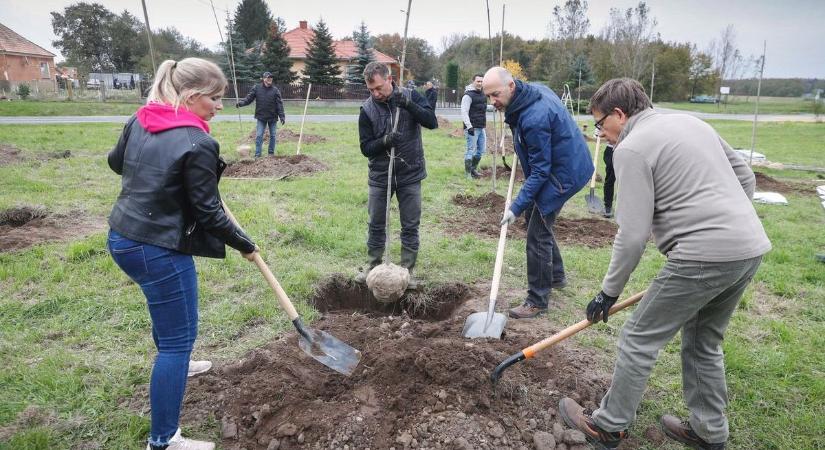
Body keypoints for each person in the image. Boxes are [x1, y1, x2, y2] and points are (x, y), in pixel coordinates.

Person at [557, 78, 771, 450]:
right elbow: (745, 178)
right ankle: (709, 432)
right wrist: (730, 225)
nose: (600, 133)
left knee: (639, 338)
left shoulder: (631, 150)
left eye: (600, 123)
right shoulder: (690, 122)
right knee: (704, 340)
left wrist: (608, 293)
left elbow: (633, 234)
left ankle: (608, 426)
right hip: (749, 247)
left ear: (619, 115)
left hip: (702, 256)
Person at [107, 58, 259, 450]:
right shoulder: (199, 142)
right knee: (178, 340)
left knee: (169, 325)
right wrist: (245, 242)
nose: (220, 106)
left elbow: (115, 163)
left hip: (123, 238)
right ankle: (164, 440)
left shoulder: (141, 118)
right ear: (192, 97)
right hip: (157, 249)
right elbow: (209, 213)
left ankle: (176, 366)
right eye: (216, 98)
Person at [482, 66, 592, 319]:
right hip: (564, 163)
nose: (492, 102)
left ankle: (537, 300)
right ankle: (556, 276)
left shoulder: (534, 117)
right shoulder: (531, 92)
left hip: (562, 174)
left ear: (511, 86)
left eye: (495, 95)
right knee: (536, 216)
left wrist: (515, 207)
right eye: (488, 97)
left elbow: (541, 172)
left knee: (537, 232)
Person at [354, 62, 438, 289]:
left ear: (390, 79)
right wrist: (384, 142)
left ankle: (406, 273)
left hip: (410, 173)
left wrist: (409, 105)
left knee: (410, 224)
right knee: (376, 224)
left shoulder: (410, 96)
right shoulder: (367, 110)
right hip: (381, 177)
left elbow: (432, 122)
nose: (375, 94)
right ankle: (373, 268)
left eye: (379, 88)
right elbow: (365, 148)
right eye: (371, 90)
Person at [236, 71, 285, 157]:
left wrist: (282, 116)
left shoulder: (275, 90)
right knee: (259, 136)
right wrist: (241, 103)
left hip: (272, 117)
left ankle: (271, 153)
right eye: (268, 77)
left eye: (271, 77)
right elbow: (249, 99)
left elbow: (279, 104)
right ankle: (257, 155)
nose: (270, 79)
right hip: (261, 117)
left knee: (273, 136)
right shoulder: (257, 88)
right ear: (263, 79)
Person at [461, 74, 487, 179]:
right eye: (478, 81)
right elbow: (464, 111)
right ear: (473, 81)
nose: (480, 83)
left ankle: (473, 169)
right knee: (470, 150)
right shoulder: (468, 95)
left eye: (482, 81)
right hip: (472, 127)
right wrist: (469, 126)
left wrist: (496, 106)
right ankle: (468, 174)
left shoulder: (483, 94)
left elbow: (482, 107)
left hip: (481, 126)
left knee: (481, 150)